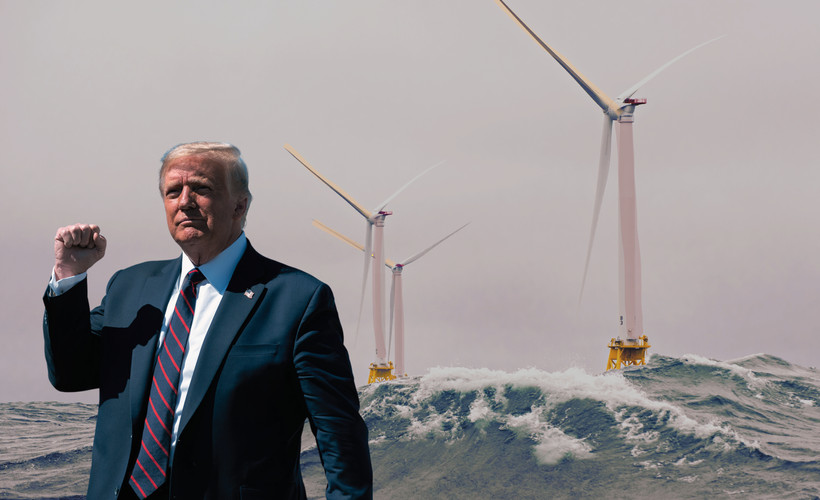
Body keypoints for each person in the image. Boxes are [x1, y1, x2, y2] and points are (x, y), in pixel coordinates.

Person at [42, 142, 372, 499]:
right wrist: (69, 275)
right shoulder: (130, 287)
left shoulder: (298, 299)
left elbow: (339, 436)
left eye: (201, 188)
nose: (184, 202)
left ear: (240, 205)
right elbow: (70, 374)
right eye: (172, 192)